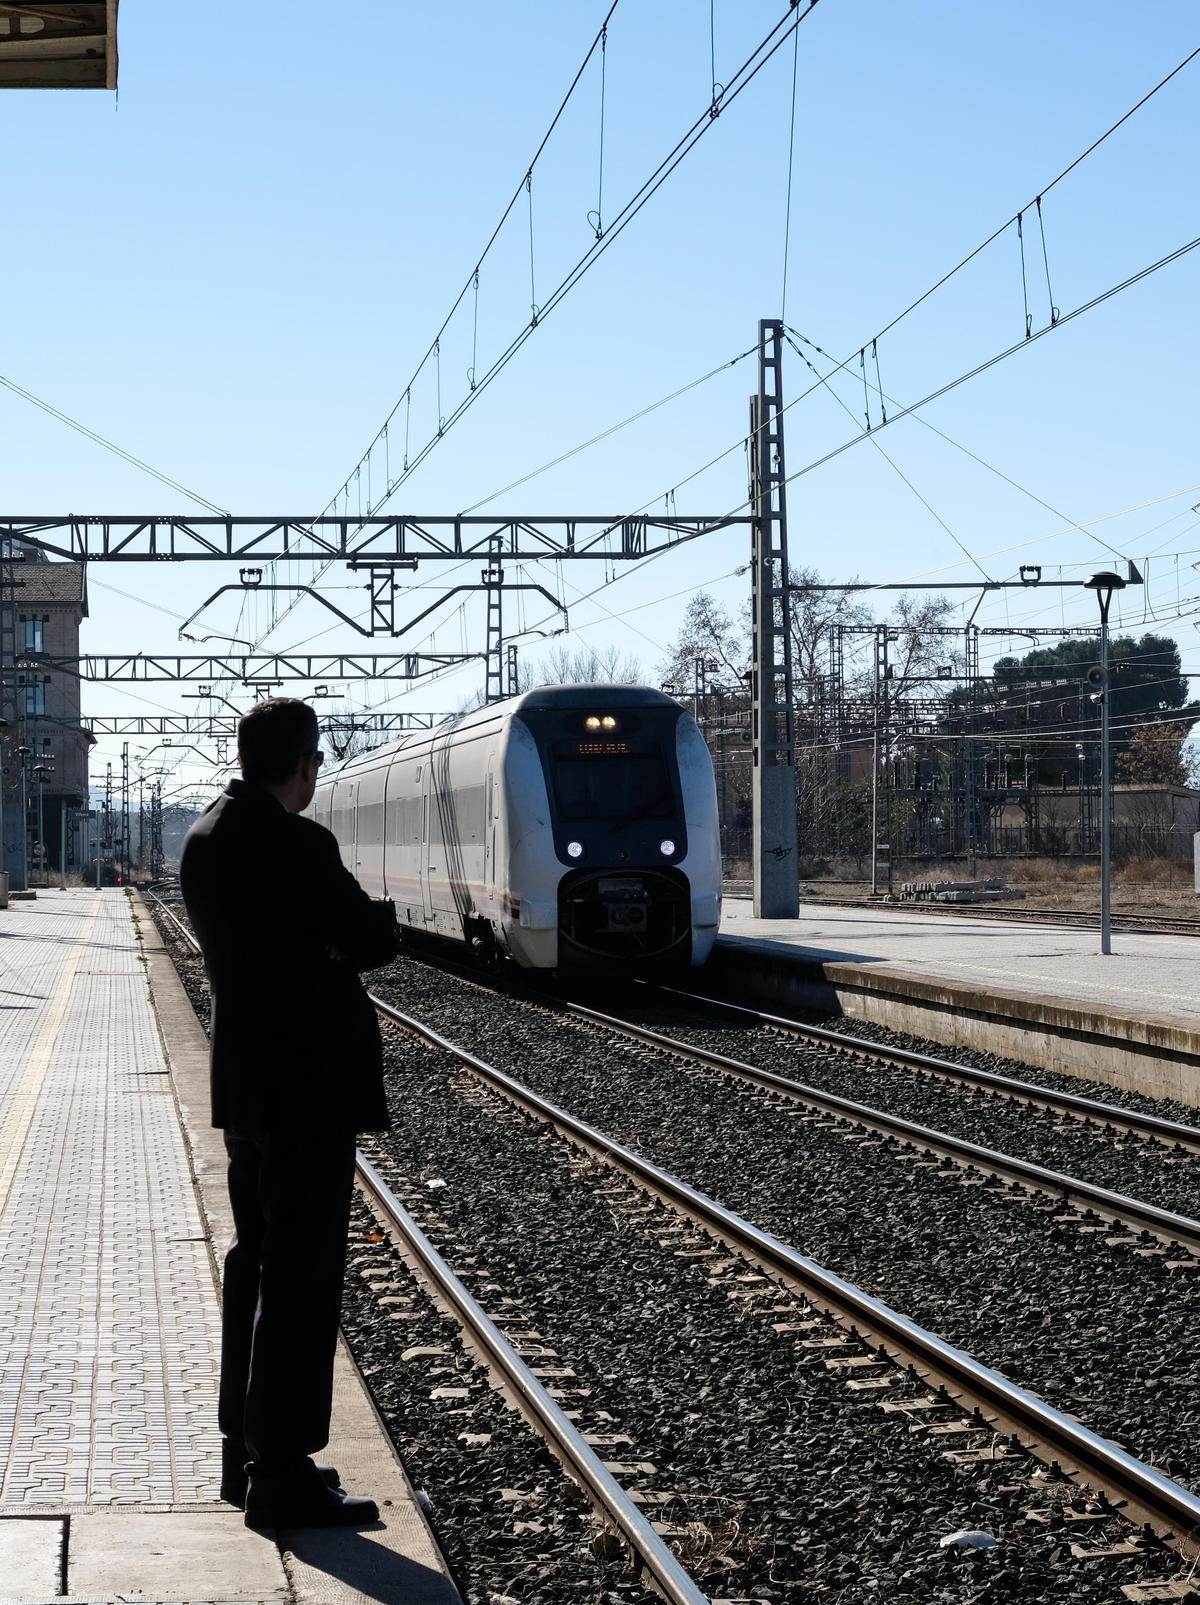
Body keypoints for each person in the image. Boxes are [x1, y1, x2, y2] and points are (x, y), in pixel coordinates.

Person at [180, 698, 398, 1529]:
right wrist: (340, 940)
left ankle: (246, 1452)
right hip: (309, 1085)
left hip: (246, 1085)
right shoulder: (300, 844)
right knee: (301, 1276)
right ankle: (283, 1473)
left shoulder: (205, 838)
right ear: (302, 764)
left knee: (256, 1260)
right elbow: (370, 936)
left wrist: (324, 939)